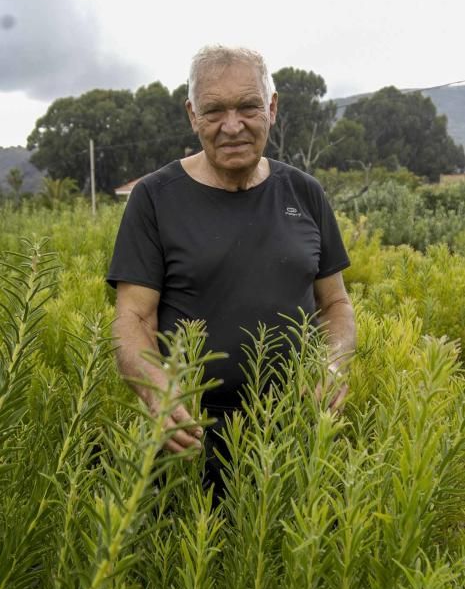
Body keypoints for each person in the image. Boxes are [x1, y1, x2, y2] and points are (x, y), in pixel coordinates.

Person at [107, 44, 356, 497]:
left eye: (248, 106)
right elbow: (133, 319)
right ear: (191, 115)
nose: (232, 125)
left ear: (273, 107)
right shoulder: (155, 198)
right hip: (187, 437)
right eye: (214, 110)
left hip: (292, 432)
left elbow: (335, 303)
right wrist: (159, 394)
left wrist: (332, 365)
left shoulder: (305, 193)